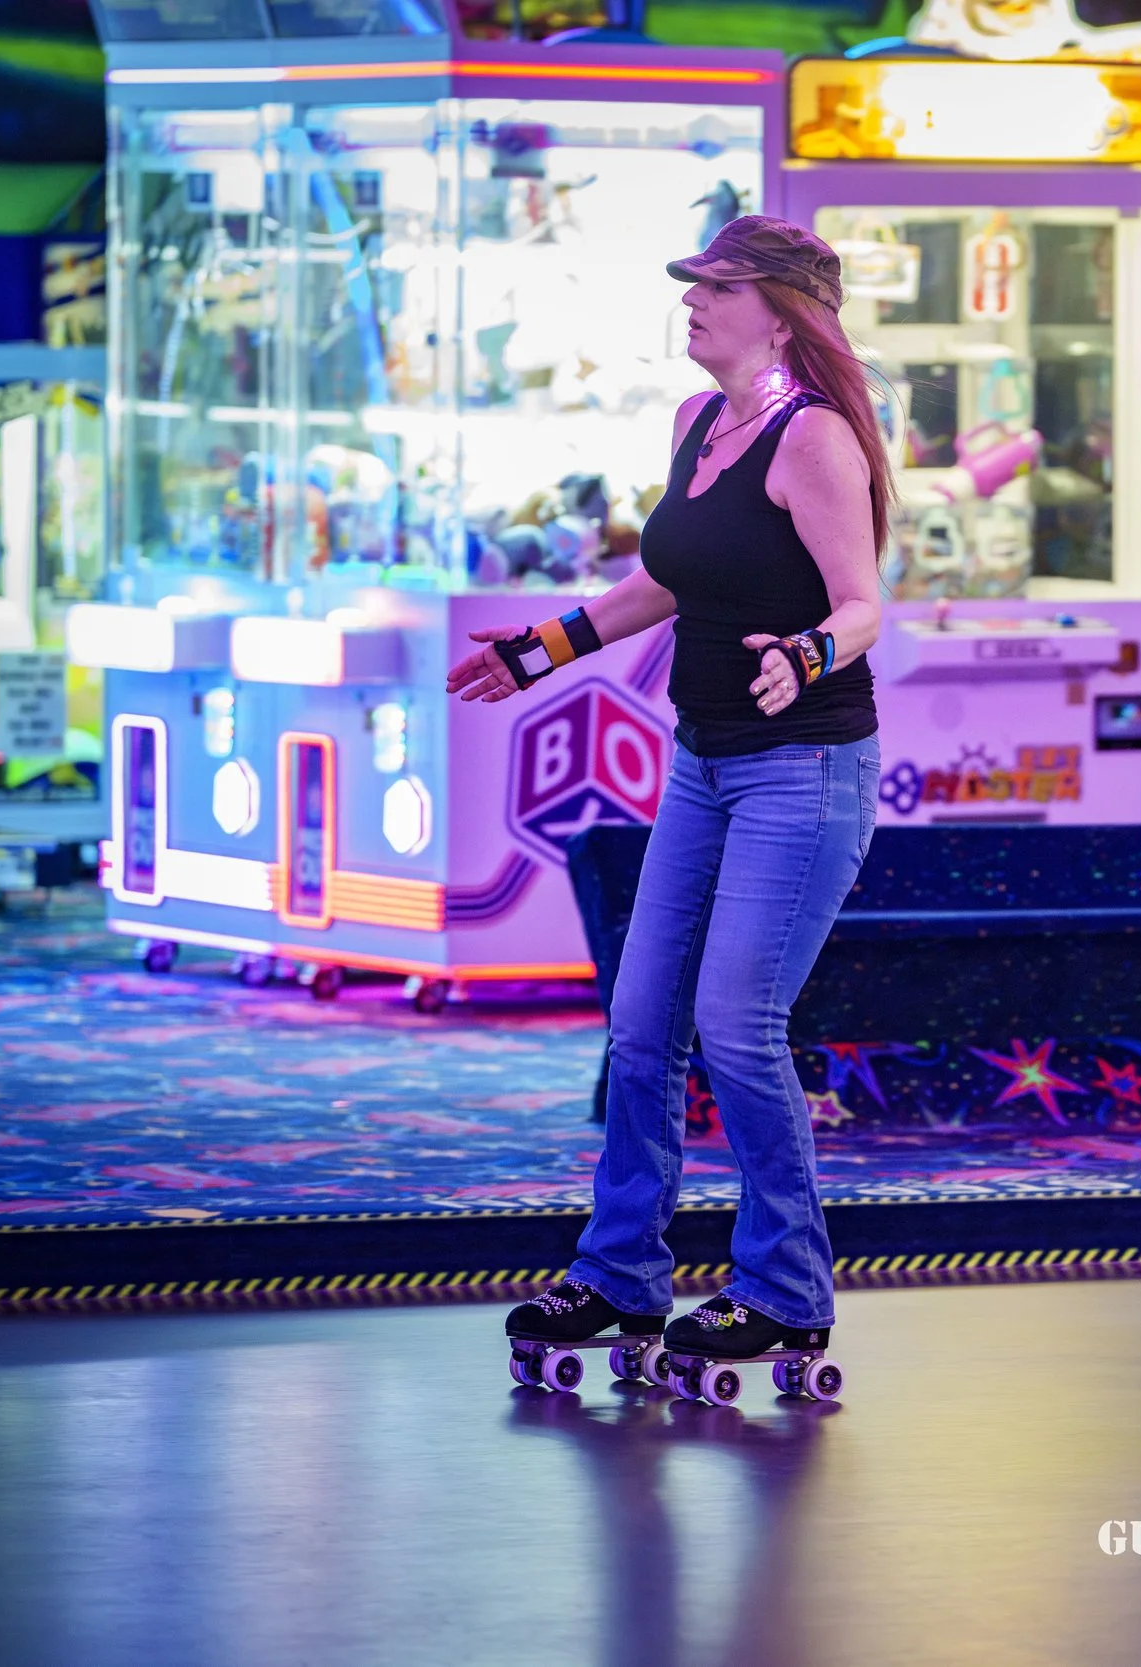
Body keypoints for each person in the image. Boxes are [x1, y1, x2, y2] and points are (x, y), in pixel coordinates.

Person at [448, 216, 890, 1378]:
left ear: (783, 307)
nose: (691, 302)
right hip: (702, 762)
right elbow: (660, 581)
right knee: (643, 1025)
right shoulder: (698, 422)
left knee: (737, 1030)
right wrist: (540, 648)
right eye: (690, 282)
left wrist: (803, 652)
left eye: (715, 286)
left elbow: (861, 606)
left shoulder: (815, 440)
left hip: (805, 769)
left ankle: (786, 1291)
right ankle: (621, 1274)